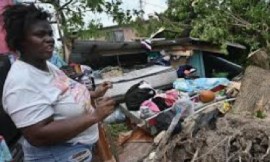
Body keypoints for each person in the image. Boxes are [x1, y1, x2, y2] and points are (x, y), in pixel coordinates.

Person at [1, 4, 115, 162]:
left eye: (49, 33)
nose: (49, 39)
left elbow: (65, 91)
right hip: (57, 155)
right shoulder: (21, 82)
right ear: (20, 41)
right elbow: (38, 135)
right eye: (40, 35)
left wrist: (95, 94)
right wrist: (94, 116)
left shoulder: (46, 66)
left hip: (77, 149)